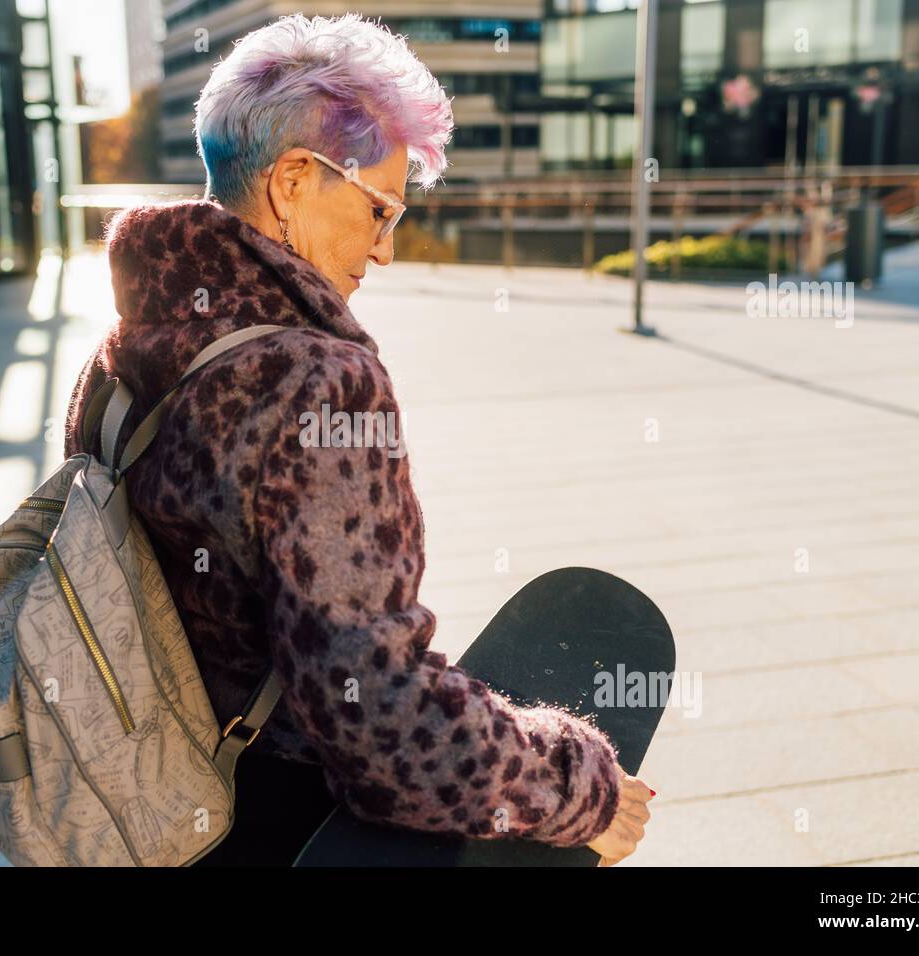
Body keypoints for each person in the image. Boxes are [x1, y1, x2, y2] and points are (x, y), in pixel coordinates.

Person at [62, 13, 653, 867]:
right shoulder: (317, 379)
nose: (383, 251)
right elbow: (378, 717)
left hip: (150, 793)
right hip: (276, 819)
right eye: (378, 210)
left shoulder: (125, 342)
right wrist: (578, 789)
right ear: (296, 181)